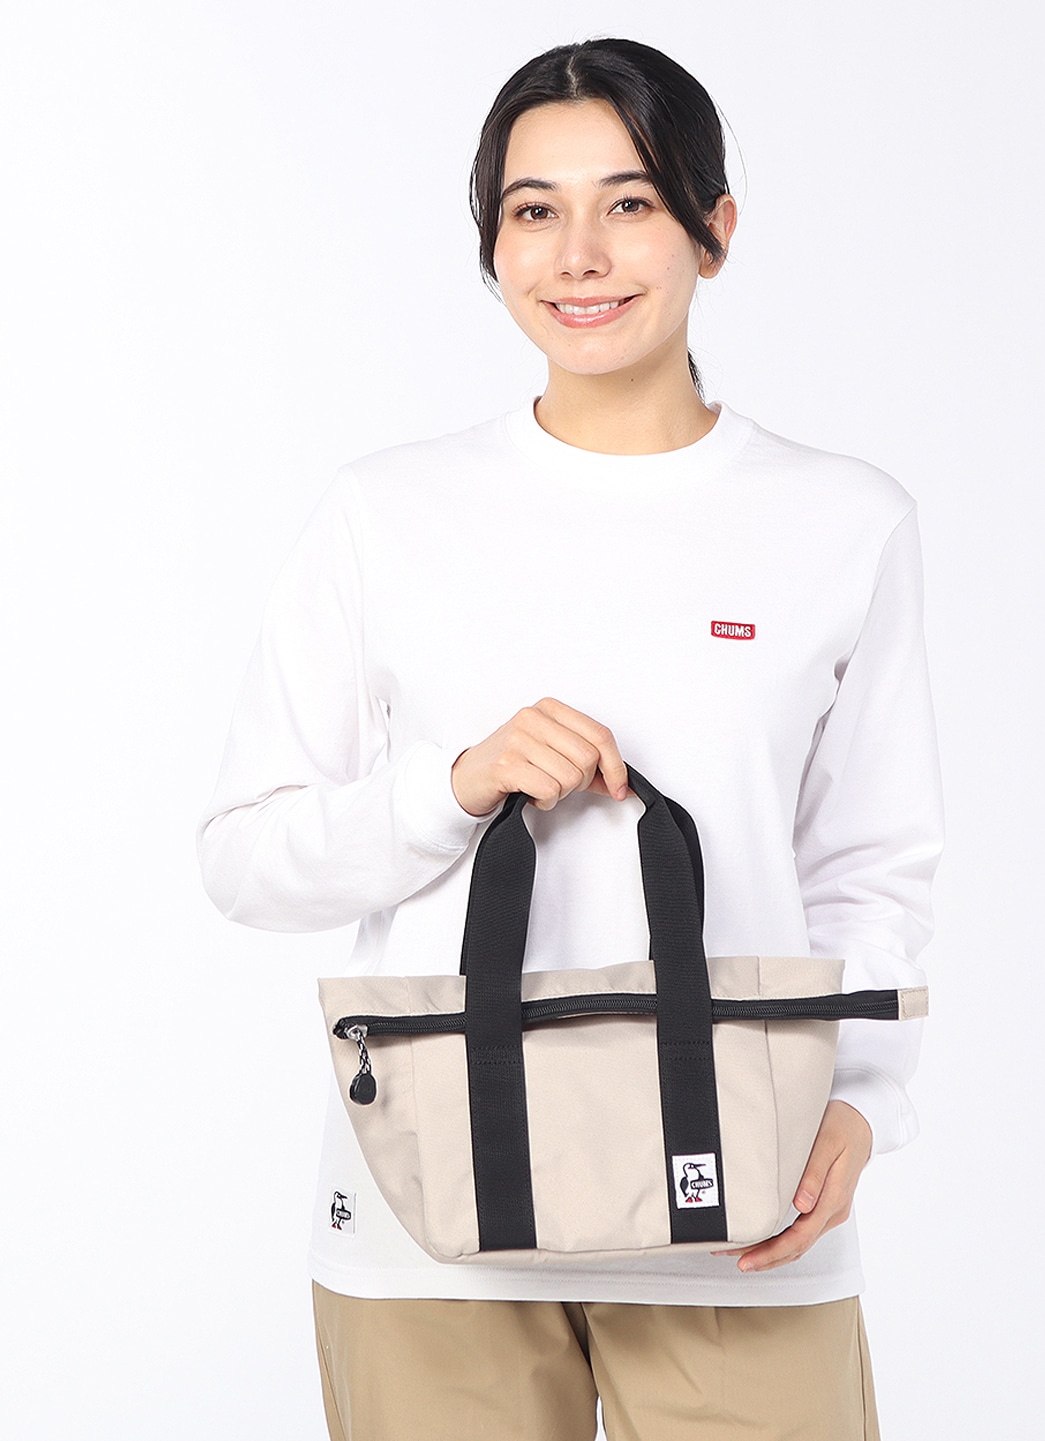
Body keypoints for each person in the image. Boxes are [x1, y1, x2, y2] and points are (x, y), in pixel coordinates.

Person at [198, 36, 943, 1441]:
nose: (579, 255)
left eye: (631, 202)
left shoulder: (842, 522)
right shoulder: (385, 512)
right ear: (492, 244)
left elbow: (872, 861)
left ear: (715, 229)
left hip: (749, 1203)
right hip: (431, 1224)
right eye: (534, 209)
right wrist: (451, 788)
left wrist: (861, 1105)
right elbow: (244, 857)